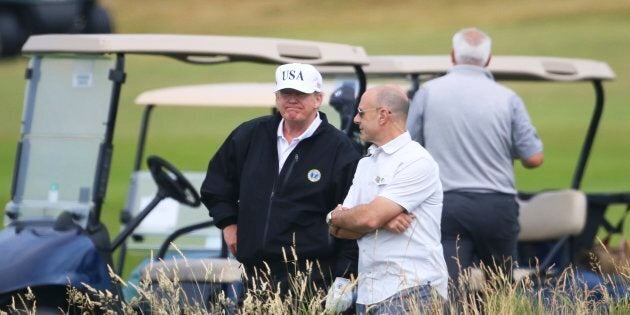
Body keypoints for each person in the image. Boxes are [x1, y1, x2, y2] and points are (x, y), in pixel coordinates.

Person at [200, 63, 361, 296]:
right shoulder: (250, 135)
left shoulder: (341, 150)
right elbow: (217, 185)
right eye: (286, 93)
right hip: (256, 275)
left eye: (300, 94)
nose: (292, 100)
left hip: (312, 278)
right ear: (277, 97)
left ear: (317, 99)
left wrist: (345, 277)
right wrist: (228, 223)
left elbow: (353, 219)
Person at [406, 27, 544, 286]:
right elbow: (533, 158)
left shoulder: (428, 92)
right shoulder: (508, 98)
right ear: (488, 58)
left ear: (452, 55)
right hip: (497, 205)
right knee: (500, 289)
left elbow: (410, 147)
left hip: (447, 204)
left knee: (446, 289)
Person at [328, 85, 448, 314]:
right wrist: (379, 220)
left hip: (413, 290)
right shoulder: (366, 163)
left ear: (383, 115)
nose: (354, 119)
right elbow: (337, 228)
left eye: (361, 112)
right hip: (369, 292)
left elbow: (368, 218)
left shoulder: (416, 161)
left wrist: (365, 219)